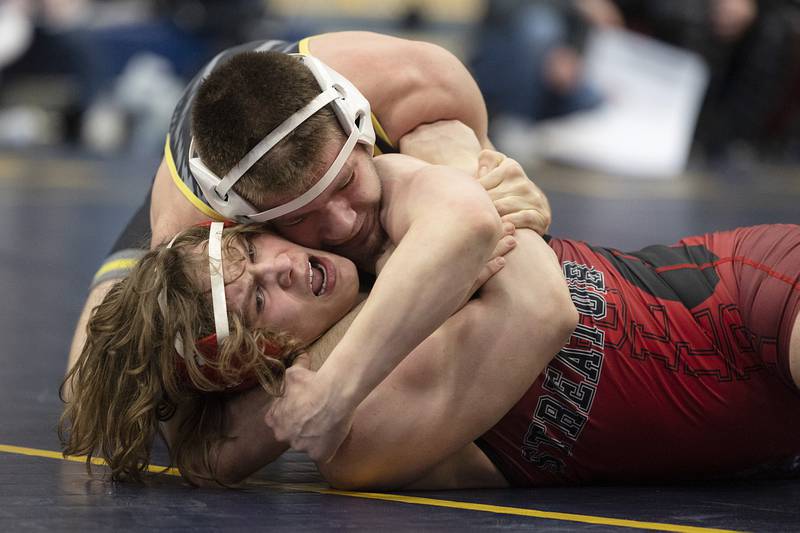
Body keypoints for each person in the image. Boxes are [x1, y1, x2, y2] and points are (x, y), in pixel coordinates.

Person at [62, 153, 800, 489]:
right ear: (249, 363)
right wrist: (453, 245)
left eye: (255, 249)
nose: (281, 266)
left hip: (741, 296)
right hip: (764, 447)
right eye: (257, 299)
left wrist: (471, 190)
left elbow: (448, 118)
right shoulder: (359, 441)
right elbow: (539, 301)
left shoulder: (362, 216)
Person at [65, 31, 552, 406]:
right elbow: (209, 441)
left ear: (359, 127)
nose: (341, 225)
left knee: (451, 176)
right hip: (203, 186)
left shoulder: (420, 83)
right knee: (88, 390)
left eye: (344, 183)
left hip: (362, 109)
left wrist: (517, 200)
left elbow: (499, 239)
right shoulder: (197, 224)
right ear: (247, 219)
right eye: (298, 216)